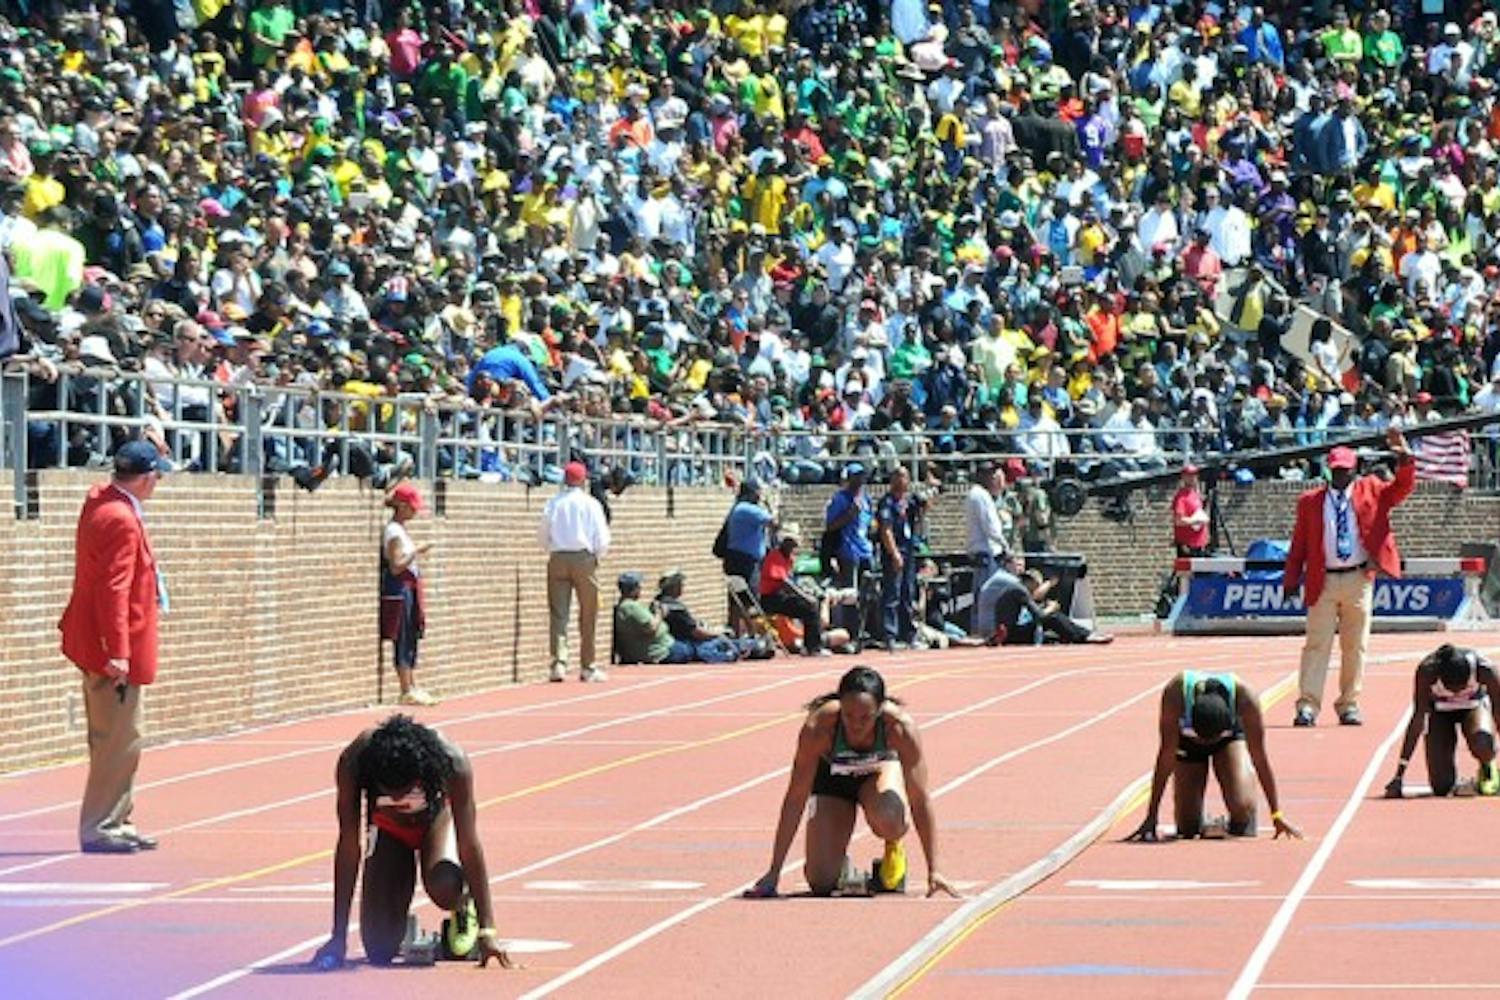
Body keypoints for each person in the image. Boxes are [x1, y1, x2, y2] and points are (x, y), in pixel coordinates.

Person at [310, 715, 516, 970]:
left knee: (443, 885)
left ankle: (463, 907)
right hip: (389, 831)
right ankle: (399, 919)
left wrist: (488, 930)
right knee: (379, 950)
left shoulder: (452, 761)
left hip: (435, 822)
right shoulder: (354, 762)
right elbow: (349, 846)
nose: (398, 798)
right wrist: (338, 936)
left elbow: (469, 844)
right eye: (389, 791)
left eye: (405, 790)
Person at [744, 666, 958, 899]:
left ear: (879, 710)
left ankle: (893, 845)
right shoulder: (819, 728)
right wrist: (774, 872)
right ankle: (841, 867)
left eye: (865, 718)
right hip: (833, 781)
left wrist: (934, 870)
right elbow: (795, 796)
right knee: (821, 882)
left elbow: (919, 798)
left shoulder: (898, 728)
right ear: (840, 707)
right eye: (848, 716)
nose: (856, 725)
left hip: (877, 773)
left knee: (888, 819)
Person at [59, 440, 168, 853]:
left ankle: (118, 816)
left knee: (126, 738)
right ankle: (100, 824)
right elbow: (113, 589)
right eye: (156, 475)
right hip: (110, 650)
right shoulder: (119, 518)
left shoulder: (106, 504)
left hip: (103, 641)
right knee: (115, 739)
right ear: (144, 478)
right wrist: (117, 651)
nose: (157, 483)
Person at [1283, 430, 1415, 726]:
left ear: (1355, 469)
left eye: (1346, 470)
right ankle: (1307, 704)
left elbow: (1403, 488)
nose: (1341, 475)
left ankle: (1349, 703)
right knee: (1317, 644)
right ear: (1329, 469)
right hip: (1323, 580)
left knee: (1355, 645)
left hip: (1358, 577)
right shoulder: (1310, 501)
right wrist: (1291, 579)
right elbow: (1299, 543)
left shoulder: (1373, 489)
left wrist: (1404, 456)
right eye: (1336, 470)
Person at [1127, 671, 1302, 842]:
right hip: (1188, 742)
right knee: (1187, 826)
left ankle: (1242, 811)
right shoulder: (1175, 696)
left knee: (1242, 808)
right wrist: (1151, 816)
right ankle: (1203, 820)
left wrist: (1276, 814)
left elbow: (1260, 759)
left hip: (1229, 741)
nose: (1207, 743)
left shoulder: (1246, 699)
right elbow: (1166, 756)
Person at [1384, 645, 1500, 799]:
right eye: (1451, 689)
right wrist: (1399, 774)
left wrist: (1489, 750)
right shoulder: (1427, 672)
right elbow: (1417, 719)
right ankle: (1455, 781)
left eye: (1462, 688)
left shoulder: (1485, 670)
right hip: (1440, 713)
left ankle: (1487, 767)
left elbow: (1498, 712)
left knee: (1483, 743)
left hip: (1473, 708)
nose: (1456, 694)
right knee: (1441, 787)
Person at [538, 461, 611, 683]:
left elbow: (543, 533)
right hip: (584, 557)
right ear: (583, 480)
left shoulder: (553, 503)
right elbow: (602, 536)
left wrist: (551, 549)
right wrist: (598, 555)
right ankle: (587, 666)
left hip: (558, 557)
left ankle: (558, 663)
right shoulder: (591, 504)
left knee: (558, 613)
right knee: (588, 613)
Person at [381, 482, 437, 706]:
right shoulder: (394, 531)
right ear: (402, 506)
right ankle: (405, 688)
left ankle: (412, 684)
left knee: (412, 635)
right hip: (400, 588)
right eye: (412, 507)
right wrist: (416, 551)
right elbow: (395, 565)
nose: (415, 511)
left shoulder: (401, 530)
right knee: (403, 636)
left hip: (409, 587)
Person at [974, 558, 1111, 646]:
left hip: (1007, 632)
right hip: (1010, 634)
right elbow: (1040, 616)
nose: (1035, 590)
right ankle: (1086, 636)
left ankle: (1079, 636)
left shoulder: (1013, 589)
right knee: (1053, 618)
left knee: (1051, 637)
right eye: (1035, 586)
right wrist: (1051, 608)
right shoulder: (1019, 590)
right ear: (1031, 583)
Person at [656, 569, 758, 662]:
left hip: (681, 641)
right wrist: (718, 633)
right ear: (674, 587)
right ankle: (750, 648)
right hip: (688, 643)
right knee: (722, 642)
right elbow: (698, 633)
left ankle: (748, 647)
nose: (682, 587)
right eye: (680, 584)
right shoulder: (675, 608)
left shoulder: (658, 602)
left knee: (725, 641)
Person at [759, 530, 829, 656]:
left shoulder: (789, 559)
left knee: (812, 605)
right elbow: (784, 583)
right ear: (784, 543)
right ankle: (813, 648)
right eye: (790, 544)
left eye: (794, 545)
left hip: (780, 596)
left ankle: (810, 645)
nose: (792, 547)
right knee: (810, 608)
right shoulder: (775, 556)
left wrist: (807, 593)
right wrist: (805, 597)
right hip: (770, 599)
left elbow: (791, 581)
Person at [824, 463, 874, 638]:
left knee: (867, 593)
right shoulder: (840, 499)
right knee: (850, 593)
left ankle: (865, 629)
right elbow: (830, 526)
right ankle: (851, 631)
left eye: (862, 476)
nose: (859, 480)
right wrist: (849, 514)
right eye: (856, 476)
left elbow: (869, 524)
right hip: (848, 551)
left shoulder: (866, 499)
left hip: (865, 550)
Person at [876, 467, 919, 650]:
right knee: (892, 593)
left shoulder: (907, 502)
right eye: (899, 477)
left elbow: (918, 518)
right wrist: (894, 554)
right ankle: (890, 634)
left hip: (909, 549)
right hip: (895, 551)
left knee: (907, 592)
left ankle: (908, 633)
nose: (903, 481)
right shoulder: (887, 503)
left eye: (905, 477)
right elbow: (885, 530)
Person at [718, 478, 774, 619]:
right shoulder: (749, 509)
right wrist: (769, 505)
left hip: (734, 559)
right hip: (745, 562)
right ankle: (750, 634)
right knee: (751, 602)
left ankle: (737, 635)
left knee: (736, 601)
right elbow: (774, 522)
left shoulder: (738, 507)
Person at [964, 462, 1009, 630]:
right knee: (986, 595)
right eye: (990, 475)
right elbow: (990, 526)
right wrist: (1005, 546)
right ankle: (982, 629)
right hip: (986, 552)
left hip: (982, 551)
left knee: (983, 594)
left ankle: (981, 628)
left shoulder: (976, 494)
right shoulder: (981, 495)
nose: (993, 479)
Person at [1172, 464, 1212, 557]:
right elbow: (1179, 521)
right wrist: (1198, 521)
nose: (1192, 478)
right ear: (1183, 477)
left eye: (1194, 475)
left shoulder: (1195, 494)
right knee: (1187, 570)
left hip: (1200, 544)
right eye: (1189, 475)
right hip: (1188, 545)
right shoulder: (1181, 497)